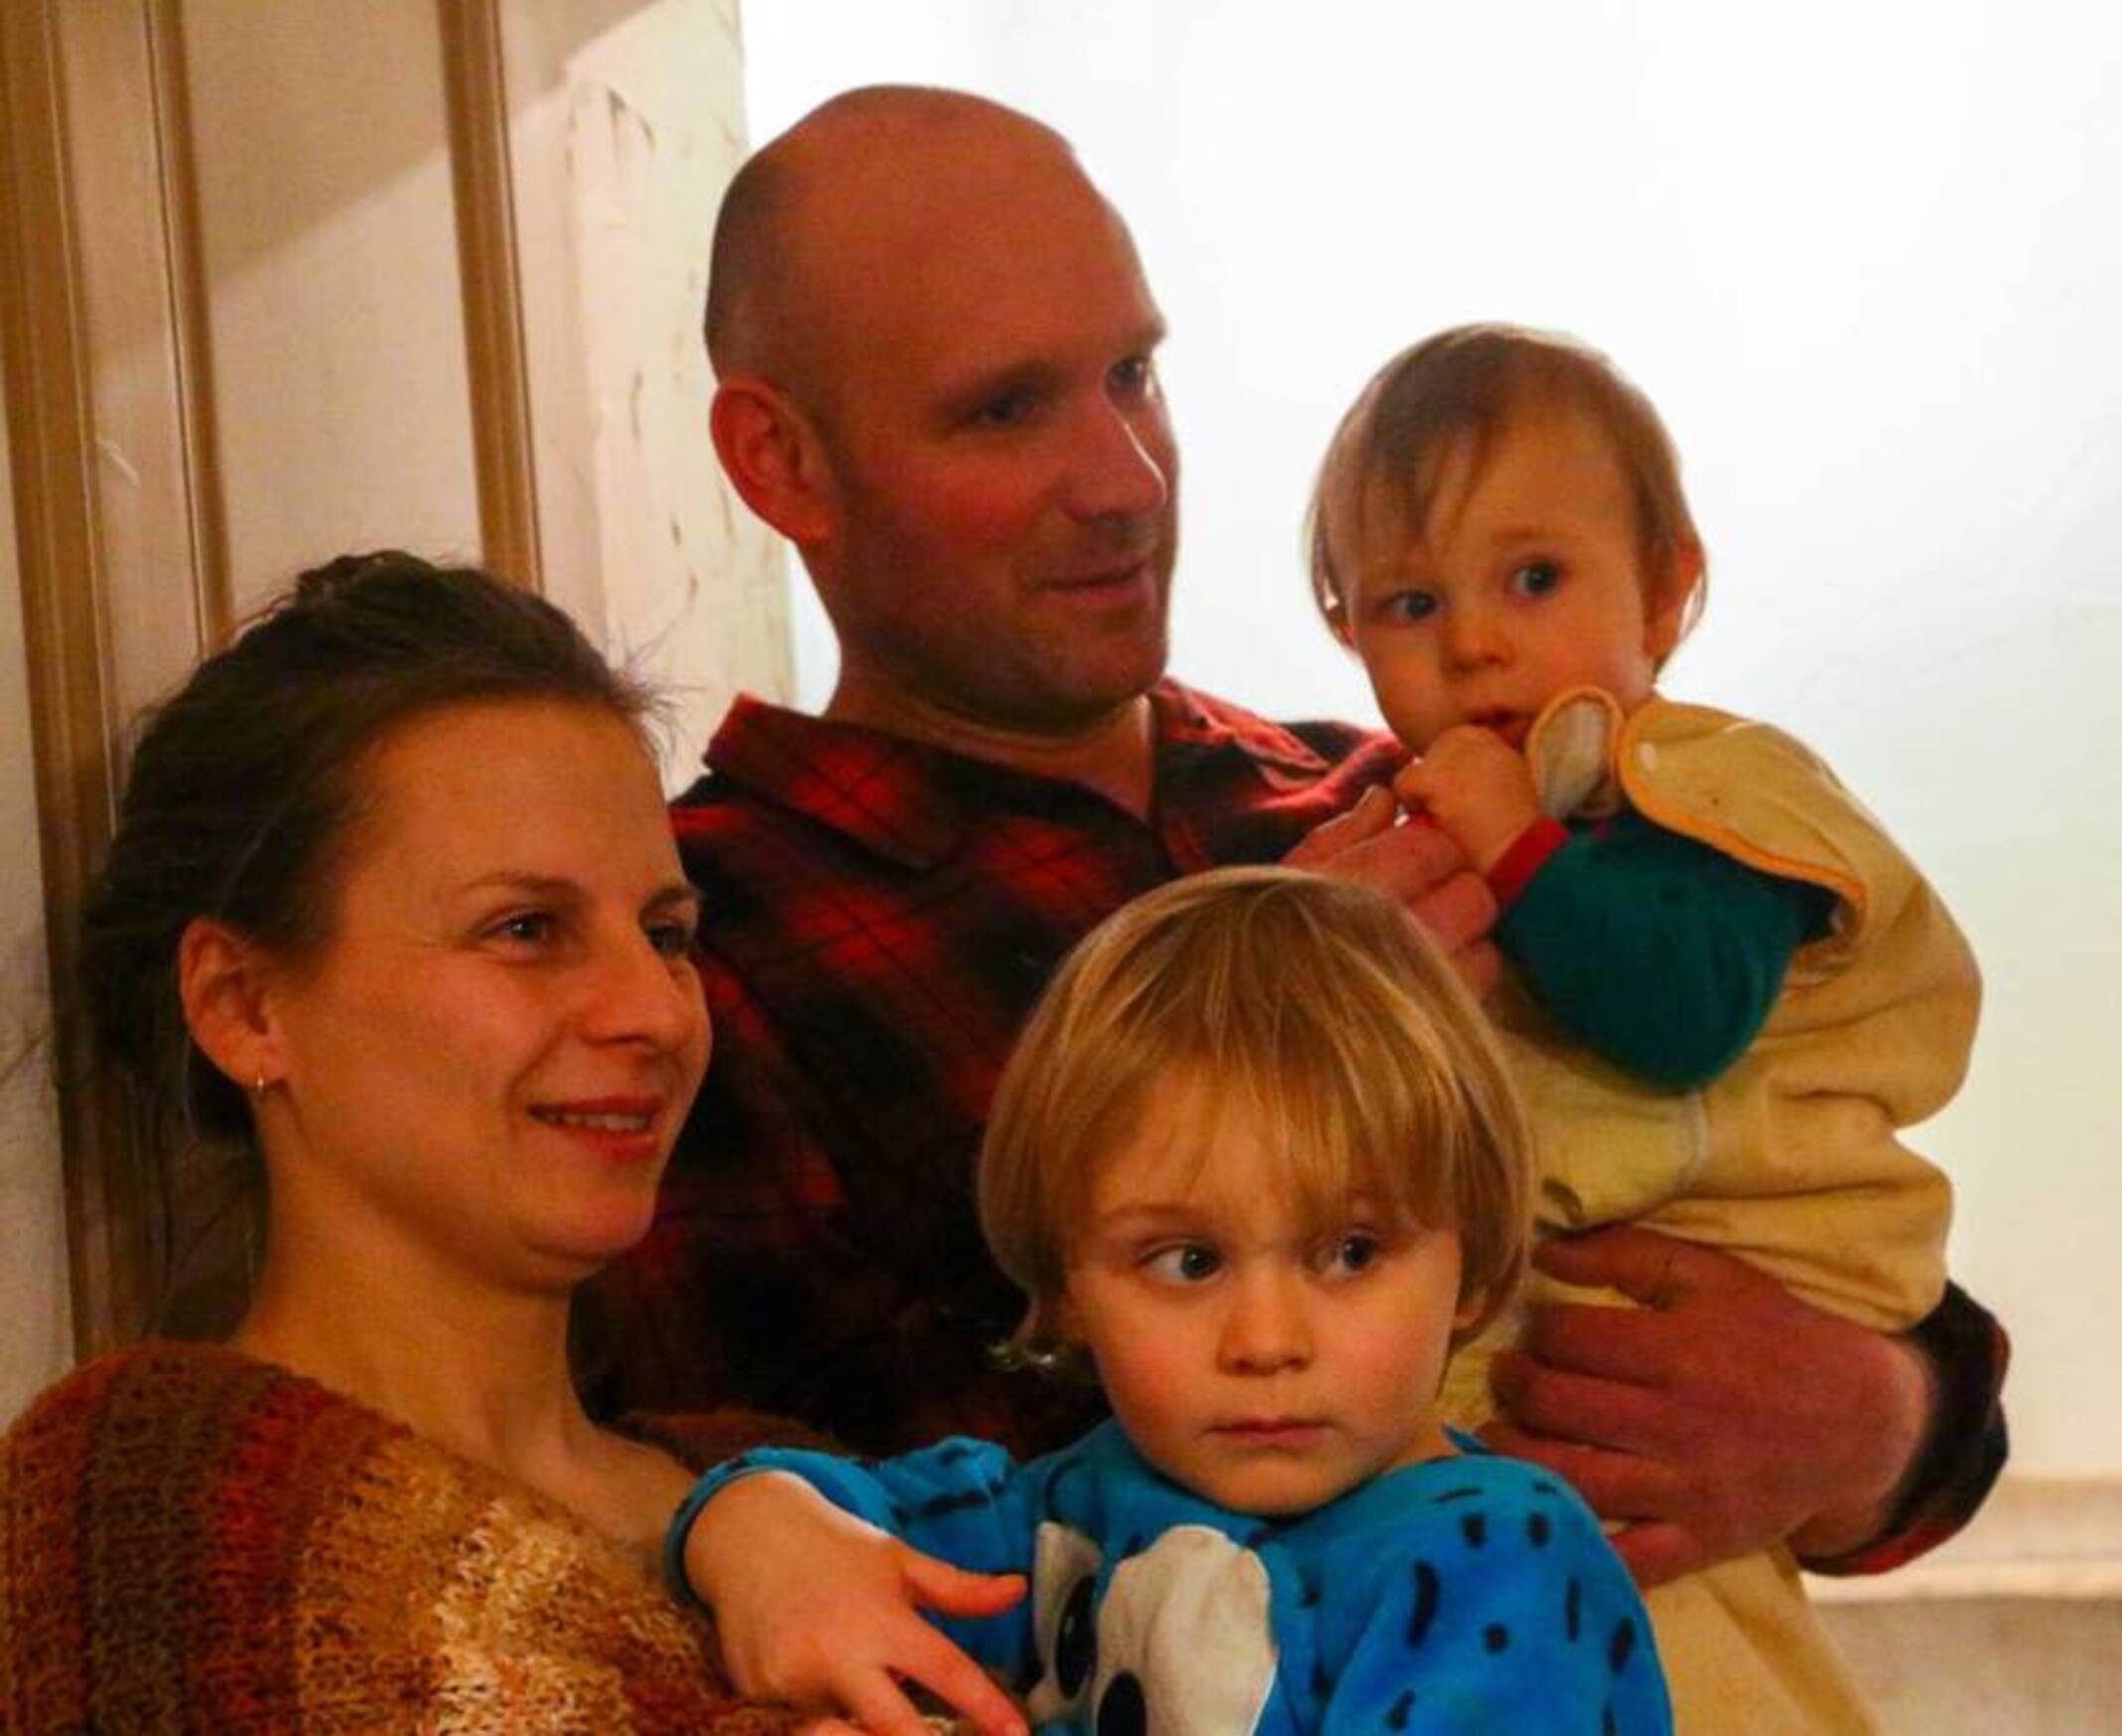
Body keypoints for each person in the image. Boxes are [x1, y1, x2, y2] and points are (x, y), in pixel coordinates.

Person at [583, 80, 2005, 1649]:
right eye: (1005, 409)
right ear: (781, 461)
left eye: (1133, 374)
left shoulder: (1398, 789)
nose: (1125, 478)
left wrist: (1869, 1420)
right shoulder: (679, 943)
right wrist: (1265, 1046)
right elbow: (816, 1538)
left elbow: (1804, 1198)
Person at [1307, 321, 1983, 1729]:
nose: (1475, 642)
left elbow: (1684, 1017)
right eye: (1410, 604)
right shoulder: (1373, 839)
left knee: (1680, 1656)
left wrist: (1516, 851)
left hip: (1712, 1305)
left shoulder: (1708, 791)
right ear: (1343, 625)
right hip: (1520, 1377)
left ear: (1666, 593)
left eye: (1534, 579)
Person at [0, 554, 799, 1733]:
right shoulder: (154, 1512)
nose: (655, 1012)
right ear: (243, 1007)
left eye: (665, 934)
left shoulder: (785, 1488)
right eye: (525, 929)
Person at [672, 868, 1672, 1736]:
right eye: (1188, 1263)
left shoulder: (1501, 1562)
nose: (1265, 1342)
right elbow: (816, 1514)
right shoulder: (1059, 1511)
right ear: (1066, 1287)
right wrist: (754, 1532)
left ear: (1476, 1267)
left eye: (1351, 1253)